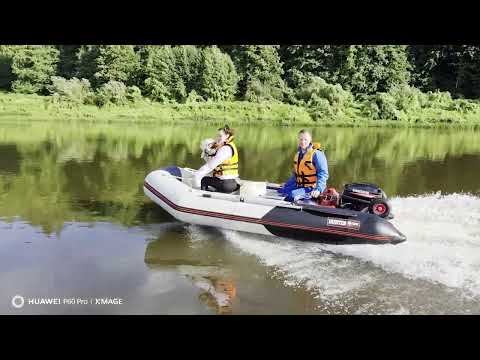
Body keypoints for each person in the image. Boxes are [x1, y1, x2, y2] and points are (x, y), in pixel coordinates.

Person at [278, 129, 329, 202]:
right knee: (281, 190)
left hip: (312, 187)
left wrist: (318, 189)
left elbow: (323, 174)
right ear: (298, 140)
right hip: (300, 186)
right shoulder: (298, 154)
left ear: (310, 140)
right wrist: (287, 184)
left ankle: (308, 197)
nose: (303, 142)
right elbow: (296, 175)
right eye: (301, 139)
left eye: (305, 139)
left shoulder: (317, 154)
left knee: (292, 195)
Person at [194, 125, 239, 193]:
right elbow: (215, 165)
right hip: (232, 183)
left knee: (204, 180)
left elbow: (210, 166)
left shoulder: (225, 149)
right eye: (217, 136)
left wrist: (197, 174)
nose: (218, 138)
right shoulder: (230, 145)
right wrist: (207, 154)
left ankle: (202, 198)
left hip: (225, 184)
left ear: (227, 136)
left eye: (220, 136)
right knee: (211, 179)